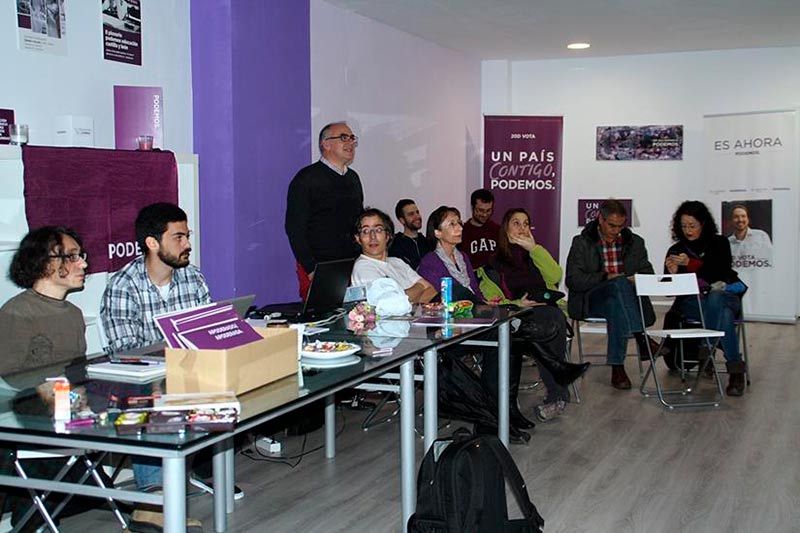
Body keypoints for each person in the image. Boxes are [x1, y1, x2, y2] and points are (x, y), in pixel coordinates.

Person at [418, 207, 588, 426]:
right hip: (455, 325)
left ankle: (507, 412)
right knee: (513, 331)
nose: (459, 227)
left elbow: (477, 294)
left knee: (523, 330)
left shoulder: (462, 258)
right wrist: (499, 305)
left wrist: (488, 304)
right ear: (437, 232)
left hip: (480, 317)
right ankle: (553, 371)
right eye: (452, 224)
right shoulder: (431, 262)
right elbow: (449, 298)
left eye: (459, 222)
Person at [100, 202, 210, 532]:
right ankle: (152, 500)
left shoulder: (193, 278)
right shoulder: (123, 285)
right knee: (151, 395)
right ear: (152, 243)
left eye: (187, 236)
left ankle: (166, 492)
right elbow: (127, 353)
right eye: (178, 237)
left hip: (185, 372)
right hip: (139, 381)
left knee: (217, 384)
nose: (187, 244)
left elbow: (206, 332)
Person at [0, 226, 98, 531]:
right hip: (31, 411)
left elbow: (77, 371)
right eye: (73, 256)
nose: (83, 263)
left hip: (67, 406)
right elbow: (11, 378)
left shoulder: (73, 314)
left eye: (81, 255)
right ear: (45, 263)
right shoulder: (17, 314)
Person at [565, 199, 660, 390]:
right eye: (611, 225)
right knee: (617, 284)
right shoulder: (582, 242)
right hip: (592, 300)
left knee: (615, 303)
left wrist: (634, 279)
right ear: (600, 219)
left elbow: (648, 275)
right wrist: (605, 277)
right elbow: (573, 280)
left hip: (619, 302)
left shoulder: (635, 242)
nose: (616, 231)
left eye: (620, 226)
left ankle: (618, 368)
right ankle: (641, 338)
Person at [665, 200, 746, 396]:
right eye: (683, 226)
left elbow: (719, 272)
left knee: (716, 296)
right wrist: (672, 274)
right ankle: (735, 371)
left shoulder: (719, 243)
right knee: (724, 316)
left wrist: (691, 264)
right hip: (694, 302)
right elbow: (669, 290)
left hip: (727, 296)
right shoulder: (676, 250)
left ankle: (706, 351)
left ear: (703, 223)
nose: (688, 230)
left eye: (692, 225)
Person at [285, 122, 364, 299]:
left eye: (352, 138)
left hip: (352, 264)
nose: (351, 143)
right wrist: (310, 268)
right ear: (326, 144)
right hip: (320, 265)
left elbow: (358, 222)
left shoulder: (353, 178)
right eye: (344, 138)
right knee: (322, 313)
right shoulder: (306, 179)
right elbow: (295, 228)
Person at [350, 208, 438, 303]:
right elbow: (391, 302)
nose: (373, 237)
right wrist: (420, 287)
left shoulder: (397, 262)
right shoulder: (363, 267)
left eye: (378, 230)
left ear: (388, 235)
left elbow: (431, 290)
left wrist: (405, 299)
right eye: (366, 231)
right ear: (358, 238)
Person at [459, 188, 500, 270]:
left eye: (488, 210)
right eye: (481, 210)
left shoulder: (498, 230)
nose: (485, 214)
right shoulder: (462, 232)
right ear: (472, 207)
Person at [388, 199, 431, 270]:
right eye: (411, 214)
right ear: (402, 220)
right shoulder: (396, 245)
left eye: (417, 212)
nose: (417, 216)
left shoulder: (427, 242)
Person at [728, 204, 773, 268]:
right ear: (731, 220)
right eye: (736, 217)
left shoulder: (761, 235)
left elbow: (771, 259)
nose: (740, 220)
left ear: (748, 219)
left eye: (743, 216)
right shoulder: (727, 242)